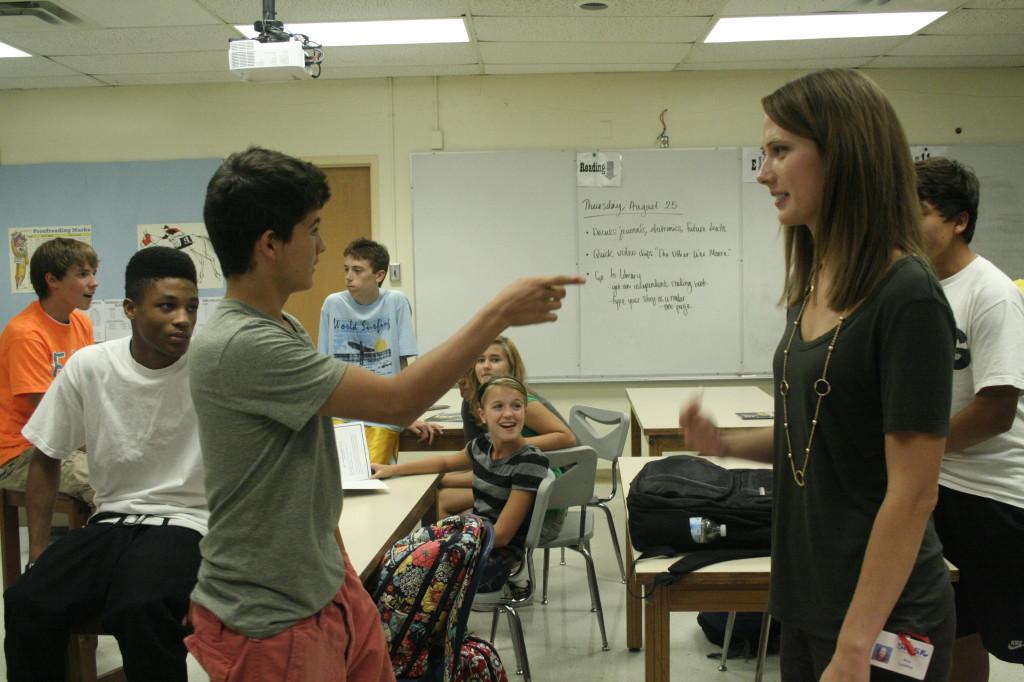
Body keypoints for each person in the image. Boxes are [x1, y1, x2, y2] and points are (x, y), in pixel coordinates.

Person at [184, 146, 581, 682]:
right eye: (313, 229)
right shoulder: (242, 343)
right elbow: (397, 402)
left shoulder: (283, 328)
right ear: (271, 244)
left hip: (321, 578)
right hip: (273, 612)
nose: (323, 245)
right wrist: (499, 313)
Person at [680, 69, 956, 681]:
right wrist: (726, 445)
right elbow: (821, 441)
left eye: (781, 151)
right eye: (764, 152)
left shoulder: (907, 296)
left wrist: (857, 646)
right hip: (807, 600)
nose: (762, 172)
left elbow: (913, 494)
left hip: (882, 619)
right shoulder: (815, 285)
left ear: (845, 156)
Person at [4, 246, 206, 682]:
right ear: (131, 309)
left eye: (191, 307)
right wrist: (38, 553)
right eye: (167, 306)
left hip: (187, 522)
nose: (183, 319)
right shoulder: (91, 366)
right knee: (27, 603)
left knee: (141, 608)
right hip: (110, 521)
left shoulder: (209, 368)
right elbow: (46, 456)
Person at [916, 157, 1024, 681]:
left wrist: (917, 450)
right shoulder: (913, 287)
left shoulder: (992, 293)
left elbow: (996, 412)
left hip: (995, 497)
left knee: (1010, 636)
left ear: (960, 220)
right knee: (955, 629)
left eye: (922, 214)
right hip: (938, 485)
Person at [373, 375, 555, 591]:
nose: (508, 413)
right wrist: (393, 469)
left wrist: (446, 544)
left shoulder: (529, 462)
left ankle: (437, 624)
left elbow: (503, 534)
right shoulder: (482, 445)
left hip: (495, 556)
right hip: (475, 539)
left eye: (516, 406)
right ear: (482, 415)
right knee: (393, 559)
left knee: (402, 577)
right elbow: (444, 462)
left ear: (525, 411)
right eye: (498, 406)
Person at [318, 237, 441, 463]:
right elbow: (324, 366)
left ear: (379, 275)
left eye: (357, 270)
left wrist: (408, 414)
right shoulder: (332, 304)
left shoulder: (396, 303)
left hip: (383, 412)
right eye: (346, 269)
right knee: (342, 478)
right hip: (341, 412)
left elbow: (404, 366)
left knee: (372, 476)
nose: (348, 276)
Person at [0, 237, 96, 503]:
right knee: (102, 479)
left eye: (94, 273)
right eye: (83, 274)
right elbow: (48, 415)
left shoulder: (81, 323)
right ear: (52, 280)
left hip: (64, 441)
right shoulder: (25, 333)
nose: (94, 282)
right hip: (20, 453)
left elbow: (88, 391)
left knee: (129, 470)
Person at [439, 335, 576, 518]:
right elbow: (479, 462)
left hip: (528, 486)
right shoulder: (477, 402)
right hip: (505, 478)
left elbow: (567, 437)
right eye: (480, 360)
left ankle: (453, 543)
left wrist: (512, 444)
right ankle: (448, 542)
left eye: (495, 360)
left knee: (442, 498)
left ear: (511, 367)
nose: (486, 365)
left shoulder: (522, 403)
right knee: (441, 493)